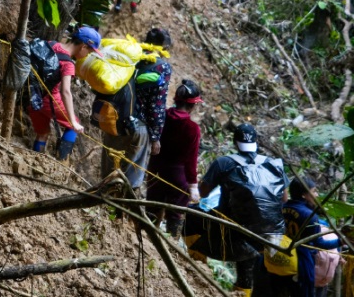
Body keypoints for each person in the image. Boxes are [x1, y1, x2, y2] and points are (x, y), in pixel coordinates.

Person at [198, 124, 290, 296]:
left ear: (235, 142)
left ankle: (197, 272)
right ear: (256, 142)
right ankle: (246, 289)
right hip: (272, 231)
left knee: (195, 221)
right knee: (250, 271)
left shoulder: (224, 163)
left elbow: (203, 193)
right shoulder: (273, 164)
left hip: (236, 229)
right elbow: (284, 199)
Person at [68, 25, 150, 188]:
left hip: (113, 123)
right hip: (127, 125)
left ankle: (108, 194)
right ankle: (117, 201)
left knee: (110, 163)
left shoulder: (111, 73)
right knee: (128, 173)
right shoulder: (123, 70)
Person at [146, 79, 203, 238]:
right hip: (178, 177)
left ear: (176, 99)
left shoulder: (161, 116)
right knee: (175, 215)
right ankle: (171, 247)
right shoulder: (192, 128)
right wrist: (193, 186)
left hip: (155, 170)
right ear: (193, 106)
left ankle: (147, 239)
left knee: (151, 207)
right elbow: (191, 161)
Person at [22, 38, 82, 160]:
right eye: (90, 51)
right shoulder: (68, 64)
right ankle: (62, 162)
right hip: (49, 100)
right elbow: (65, 91)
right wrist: (73, 121)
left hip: (31, 95)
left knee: (43, 132)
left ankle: (36, 161)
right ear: (83, 46)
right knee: (73, 124)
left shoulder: (51, 44)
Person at [283, 176, 343, 297]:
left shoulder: (284, 208)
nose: (317, 194)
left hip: (284, 255)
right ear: (304, 195)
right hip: (302, 260)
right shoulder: (309, 216)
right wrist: (341, 241)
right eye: (314, 191)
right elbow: (320, 244)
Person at [135, 28, 173, 156]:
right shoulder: (162, 67)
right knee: (131, 174)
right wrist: (155, 137)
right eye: (166, 48)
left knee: (109, 169)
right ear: (162, 47)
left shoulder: (132, 56)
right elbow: (157, 105)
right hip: (138, 127)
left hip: (115, 118)